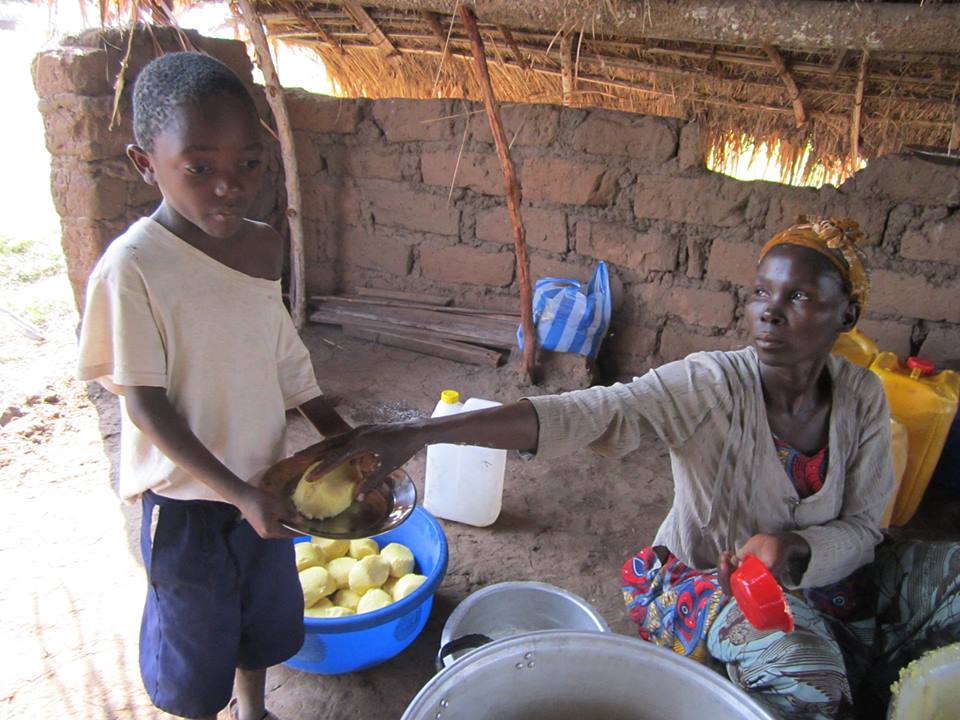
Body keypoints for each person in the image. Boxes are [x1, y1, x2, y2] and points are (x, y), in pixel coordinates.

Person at [316, 218, 960, 720]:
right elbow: (586, 412)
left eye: (798, 297)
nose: (770, 310)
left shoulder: (862, 397)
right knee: (805, 672)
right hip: (707, 581)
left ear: (845, 316)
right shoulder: (710, 384)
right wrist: (419, 433)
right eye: (762, 292)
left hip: (828, 582)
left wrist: (794, 547)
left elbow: (866, 529)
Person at [76, 52, 351, 720]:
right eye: (200, 168)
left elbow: (279, 349)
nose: (229, 187)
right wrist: (237, 495)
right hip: (189, 504)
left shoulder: (261, 248)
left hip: (268, 479)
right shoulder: (133, 269)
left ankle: (252, 708)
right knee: (196, 645)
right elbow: (143, 401)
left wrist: (334, 428)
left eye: (249, 164)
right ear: (147, 163)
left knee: (262, 616)